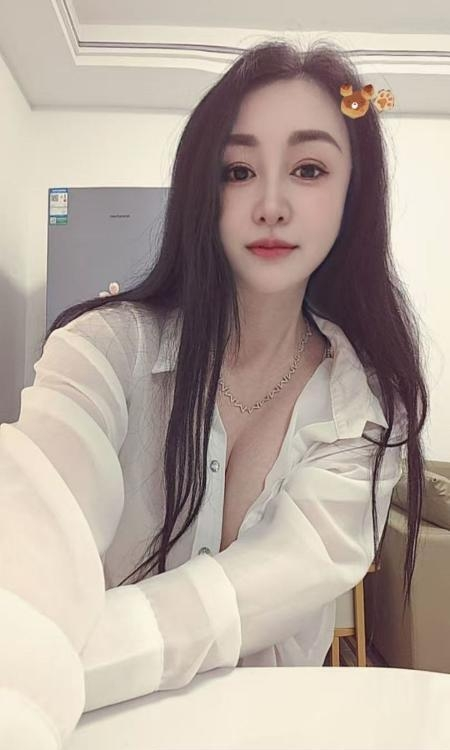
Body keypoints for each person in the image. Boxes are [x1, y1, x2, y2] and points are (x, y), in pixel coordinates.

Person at [0, 37, 428, 749]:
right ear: (205, 189)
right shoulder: (103, 350)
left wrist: (54, 657)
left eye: (309, 169)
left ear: (353, 197)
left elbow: (251, 595)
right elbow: (30, 540)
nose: (271, 205)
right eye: (238, 170)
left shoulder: (365, 411)